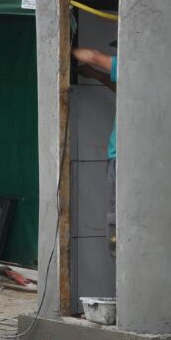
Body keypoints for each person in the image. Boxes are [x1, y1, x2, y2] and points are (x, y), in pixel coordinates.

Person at [71, 45, 118, 254]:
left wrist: (65, 45)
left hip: (120, 159)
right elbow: (116, 85)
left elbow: (93, 56)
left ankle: (119, 264)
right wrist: (93, 74)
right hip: (123, 158)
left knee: (115, 219)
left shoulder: (129, 63)